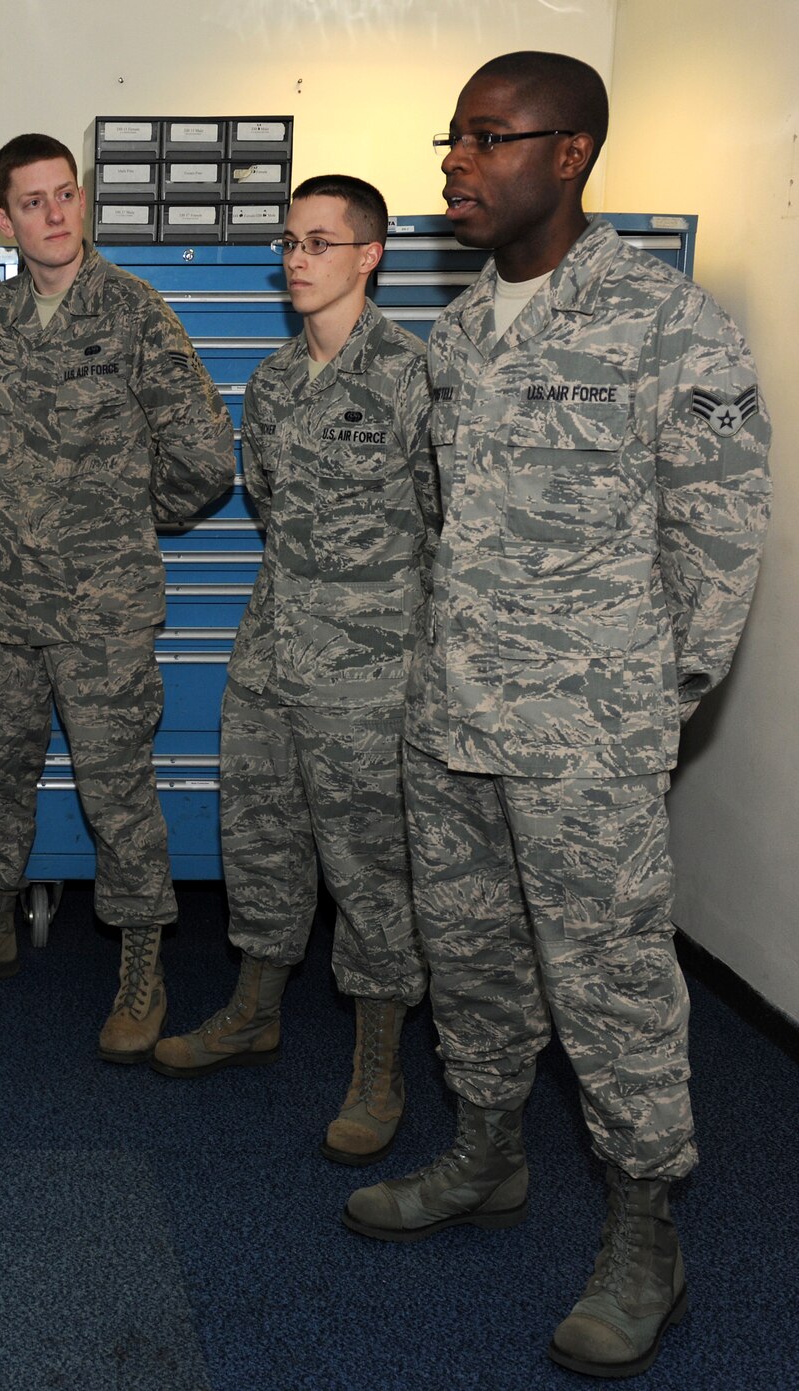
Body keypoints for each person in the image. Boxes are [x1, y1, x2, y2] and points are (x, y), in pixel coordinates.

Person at [343, 52, 772, 1381]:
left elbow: (721, 539)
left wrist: (642, 705)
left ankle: (647, 1231)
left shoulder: (663, 320)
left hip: (585, 735)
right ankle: (488, 1154)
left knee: (612, 984)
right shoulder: (464, 327)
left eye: (487, 138)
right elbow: (443, 522)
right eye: (452, 139)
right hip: (455, 714)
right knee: (470, 957)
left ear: (571, 151)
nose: (455, 163)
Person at [0, 132, 235, 1065]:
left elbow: (206, 454)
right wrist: (15, 507)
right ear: (3, 219)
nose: (54, 214)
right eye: (33, 201)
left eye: (66, 195)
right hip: (4, 600)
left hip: (103, 610)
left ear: (82, 202)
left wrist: (122, 524)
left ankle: (141, 964)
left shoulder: (132, 312)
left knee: (117, 791)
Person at [150, 176, 435, 1168]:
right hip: (272, 644)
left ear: (369, 256)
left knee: (369, 866)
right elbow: (269, 506)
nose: (296, 258)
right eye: (287, 241)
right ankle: (252, 1011)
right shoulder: (271, 382)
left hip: (369, 665)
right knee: (259, 830)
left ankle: (376, 1064)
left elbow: (445, 530)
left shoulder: (411, 377)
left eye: (320, 241)